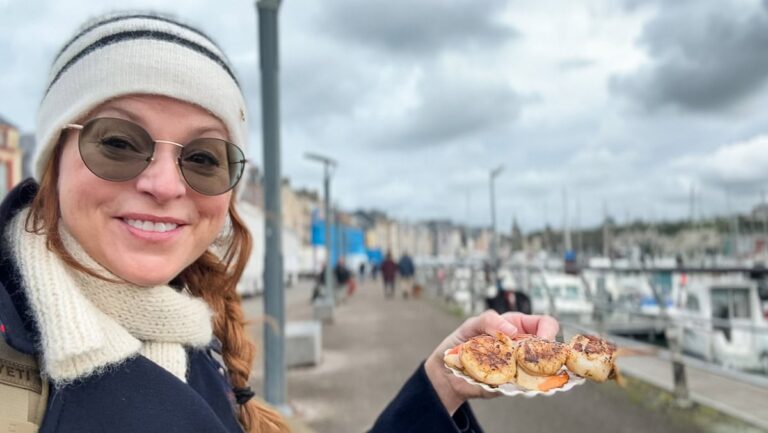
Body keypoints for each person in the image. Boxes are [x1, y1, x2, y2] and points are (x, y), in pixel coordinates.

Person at [0, 11, 560, 433]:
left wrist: (442, 384)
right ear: (51, 159)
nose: (165, 185)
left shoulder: (190, 335)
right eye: (118, 143)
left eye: (202, 158)